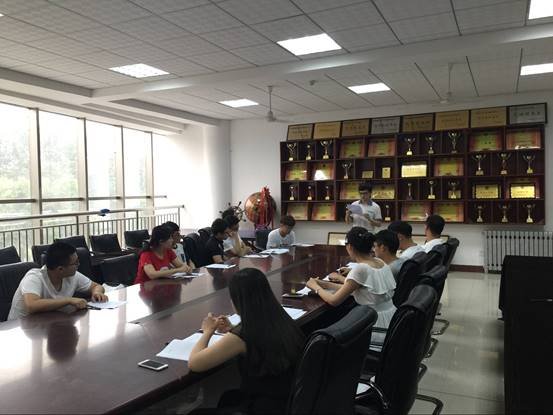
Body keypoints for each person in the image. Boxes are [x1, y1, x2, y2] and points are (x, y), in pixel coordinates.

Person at [188, 268, 305, 414]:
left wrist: (207, 331)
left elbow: (195, 363)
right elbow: (259, 340)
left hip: (264, 407)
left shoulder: (243, 334)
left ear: (238, 299)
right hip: (288, 399)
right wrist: (232, 329)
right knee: (228, 398)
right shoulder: (279, 317)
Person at [306, 227, 395, 335]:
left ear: (350, 247)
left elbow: (334, 301)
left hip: (375, 324)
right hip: (391, 319)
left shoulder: (361, 269)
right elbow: (357, 290)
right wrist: (326, 285)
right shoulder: (379, 261)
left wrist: (315, 287)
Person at [8, 242, 108, 320]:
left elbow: (96, 286)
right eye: (75, 263)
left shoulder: (72, 275)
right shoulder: (34, 277)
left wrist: (97, 293)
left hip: (50, 323)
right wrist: (68, 300)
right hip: (20, 328)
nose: (79, 264)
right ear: (60, 269)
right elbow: (32, 305)